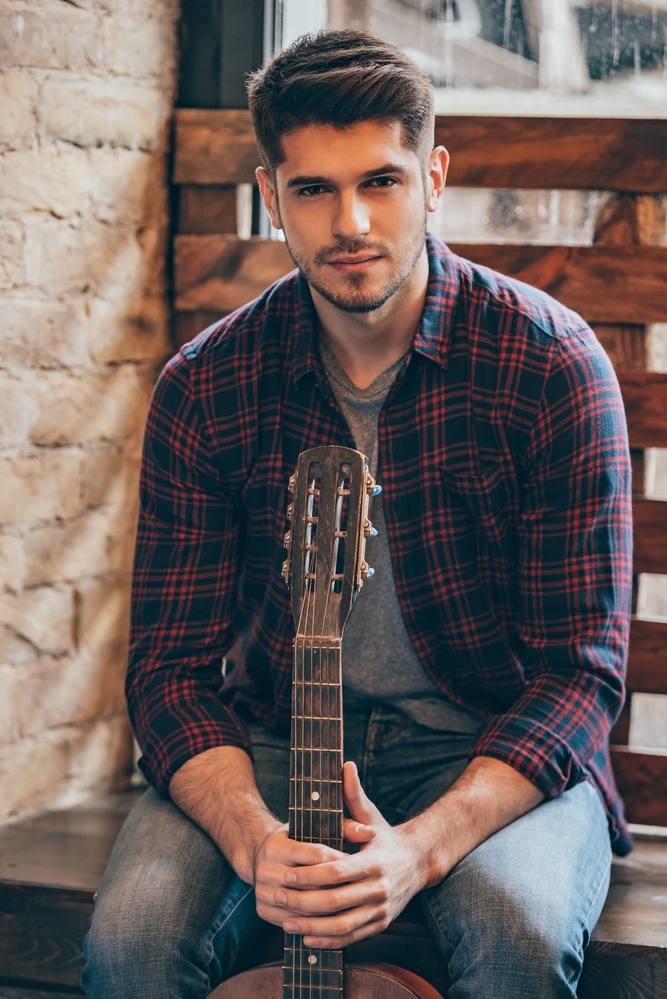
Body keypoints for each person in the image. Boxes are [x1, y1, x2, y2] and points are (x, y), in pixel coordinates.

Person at [82, 28, 633, 999]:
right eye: (313, 190)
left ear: (434, 176)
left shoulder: (548, 367)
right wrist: (257, 841)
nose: (351, 222)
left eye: (379, 181)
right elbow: (168, 673)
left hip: (485, 746)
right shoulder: (208, 388)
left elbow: (580, 680)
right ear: (270, 197)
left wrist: (414, 854)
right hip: (273, 739)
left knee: (518, 938)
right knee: (130, 942)